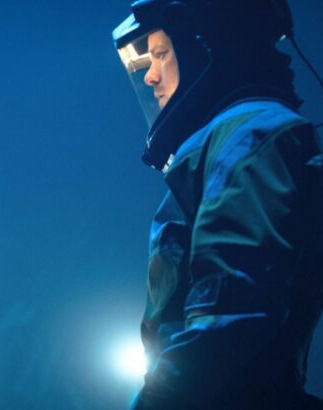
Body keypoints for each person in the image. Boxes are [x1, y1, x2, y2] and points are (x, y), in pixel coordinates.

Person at [113, 1, 323, 409]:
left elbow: (230, 317)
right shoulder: (231, 140)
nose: (150, 76)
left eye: (160, 54)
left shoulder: (250, 138)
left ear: (205, 43)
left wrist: (158, 401)